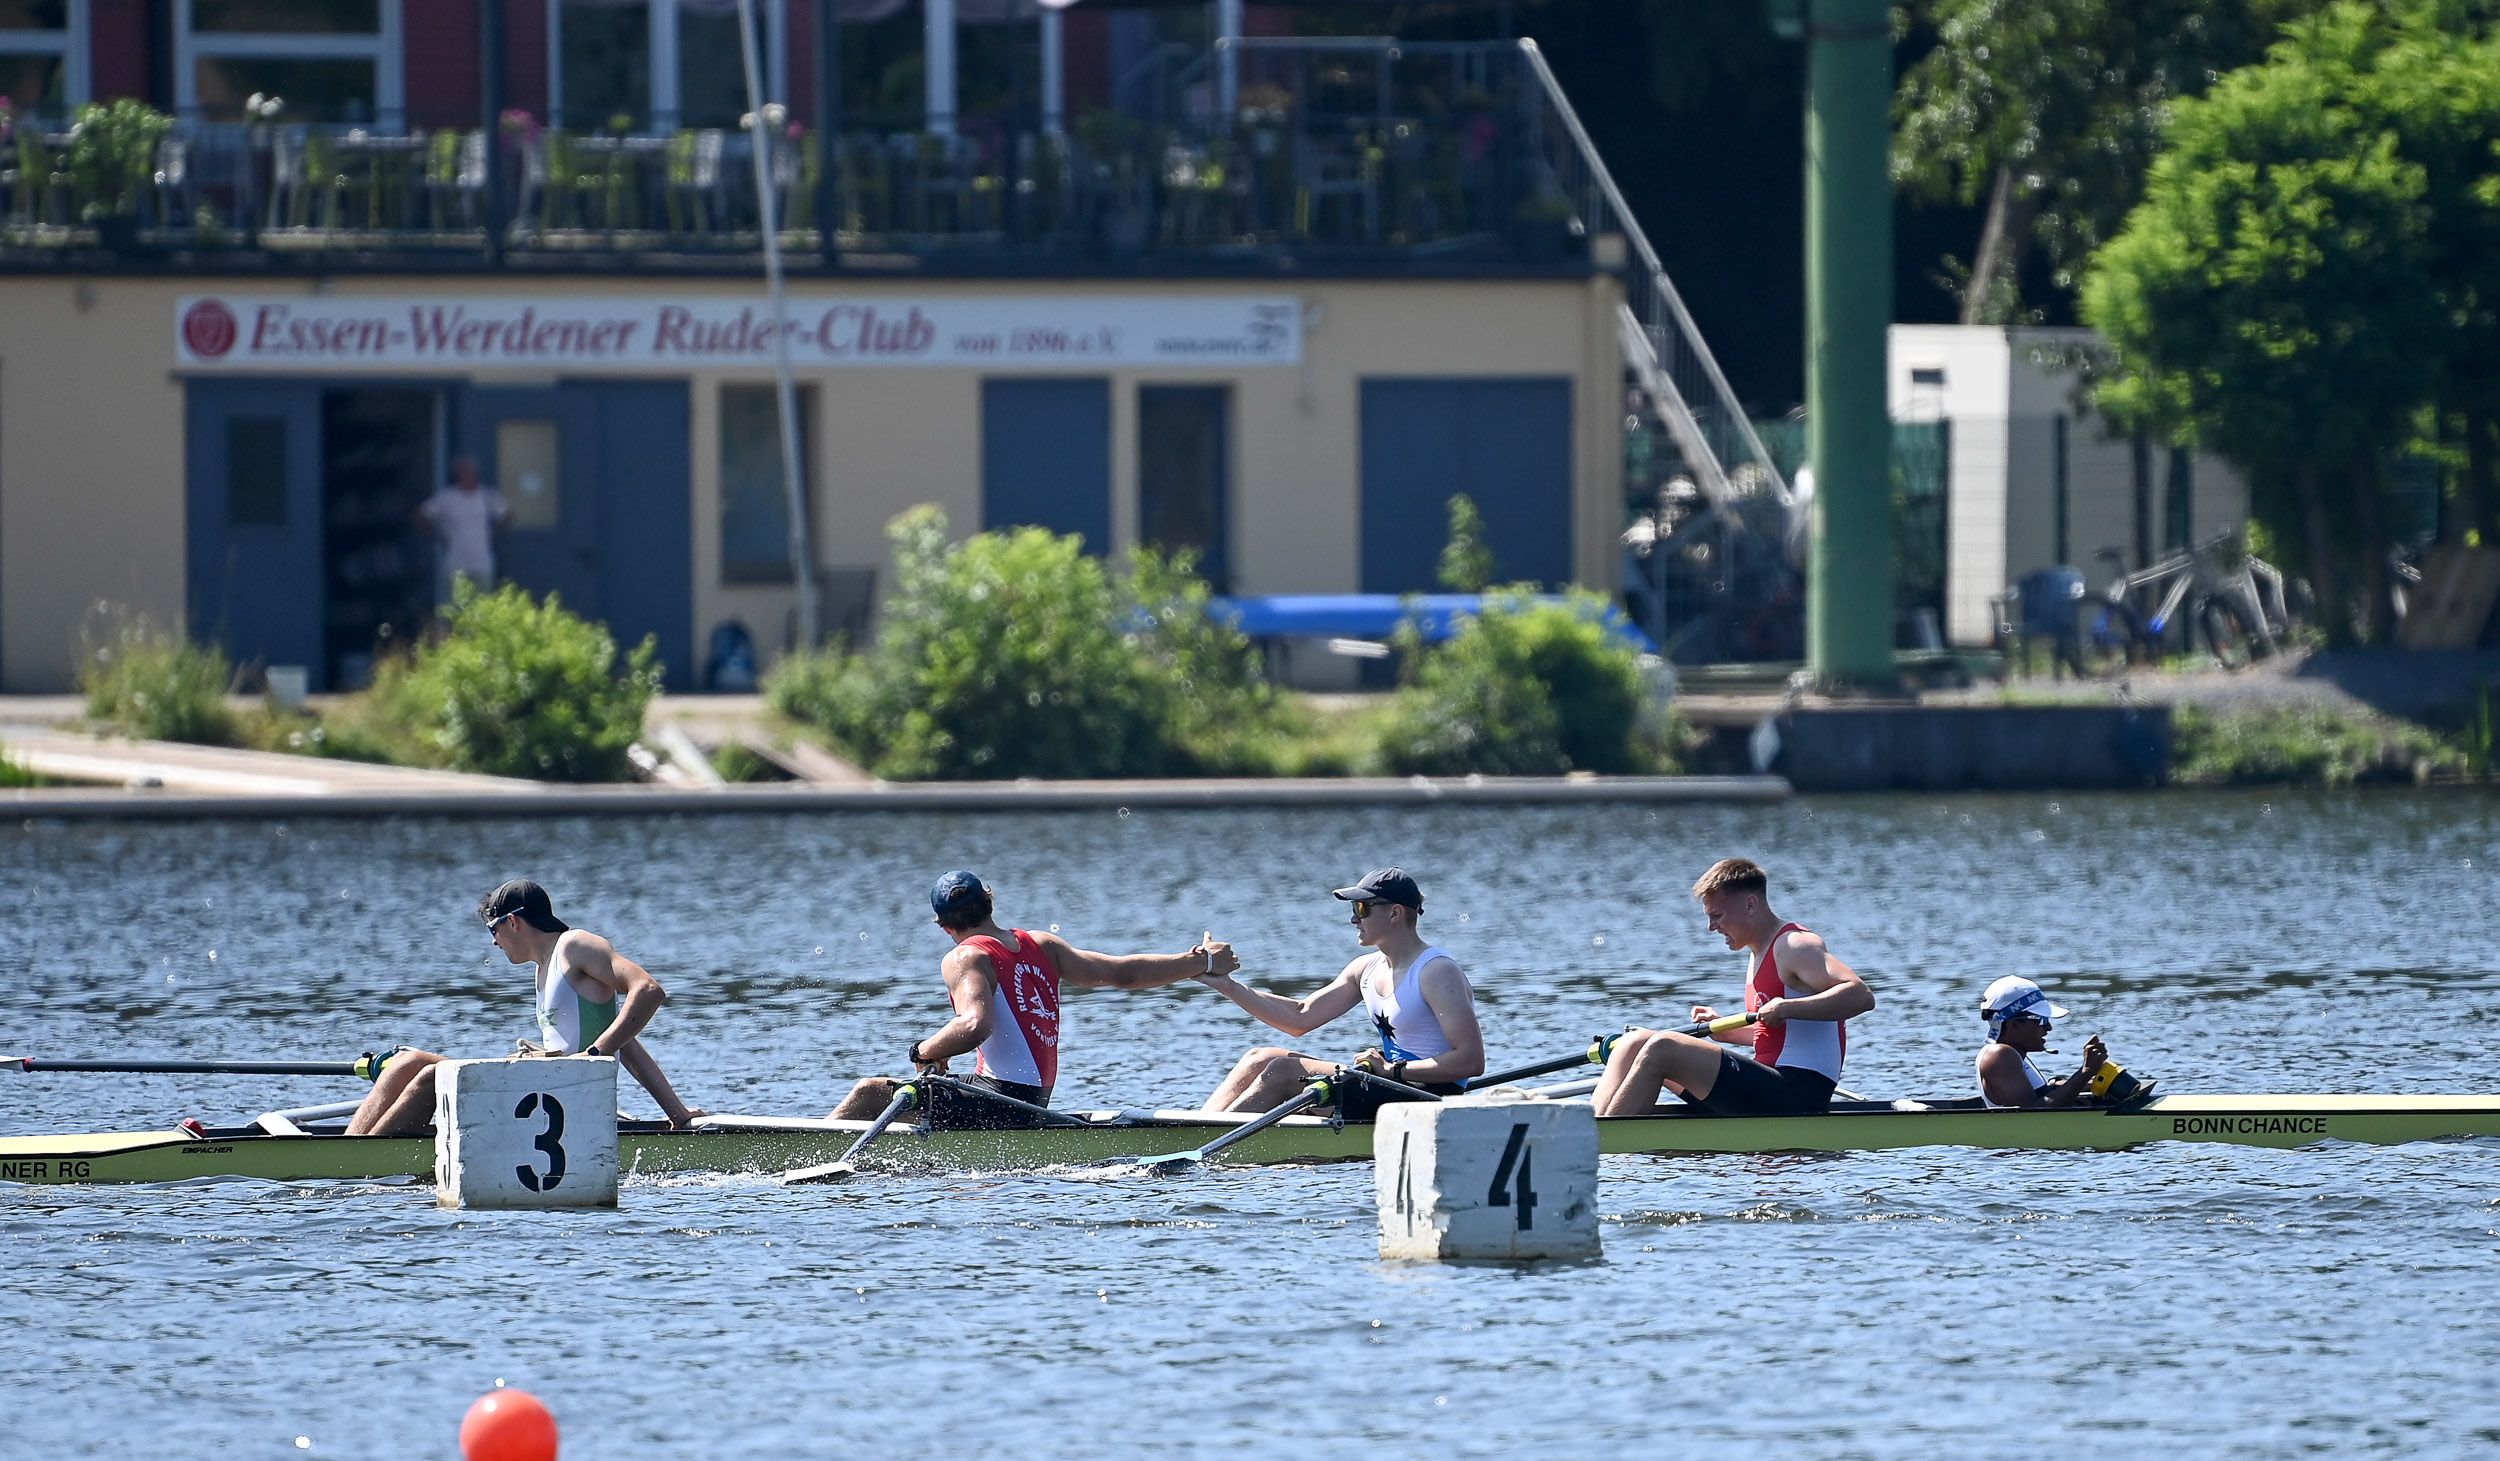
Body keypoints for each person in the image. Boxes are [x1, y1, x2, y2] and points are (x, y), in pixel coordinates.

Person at [828, 871, 1239, 1129]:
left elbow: (975, 1025)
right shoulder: (1042, 944)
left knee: (870, 1092)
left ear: (942, 925)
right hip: (1034, 1100)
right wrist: (1199, 962)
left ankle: (801, 1149)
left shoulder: (966, 956)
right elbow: (1123, 973)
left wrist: (924, 1051)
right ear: (990, 903)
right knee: (922, 1094)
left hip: (1002, 1100)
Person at [345, 879, 703, 1136]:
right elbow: (624, 1037)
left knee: (429, 1078)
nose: (494, 942)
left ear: (513, 921)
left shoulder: (575, 945)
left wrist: (593, 1055)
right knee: (408, 1061)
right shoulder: (543, 968)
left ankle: (357, 1164)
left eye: (493, 930)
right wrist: (675, 1112)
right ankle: (349, 1149)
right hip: (547, 1086)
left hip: (568, 1093)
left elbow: (649, 990)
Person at [1196, 867, 1486, 1121]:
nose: (1353, 920)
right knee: (1260, 1057)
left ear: (1395, 912)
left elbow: (1471, 1061)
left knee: (1283, 1071)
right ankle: (1193, 1129)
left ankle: (1201, 1149)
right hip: (1390, 1081)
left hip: (1427, 1095)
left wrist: (1390, 1070)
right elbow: (1300, 1018)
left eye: (1362, 909)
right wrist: (1227, 985)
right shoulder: (1366, 969)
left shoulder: (1436, 972)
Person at [1592, 857, 1873, 1117]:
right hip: (1769, 1085)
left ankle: (1606, 1147)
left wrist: (1787, 1007)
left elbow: (1860, 995)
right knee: (1633, 1042)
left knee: (1663, 1046)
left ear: (1750, 905)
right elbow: (1787, 1035)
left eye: (1717, 915)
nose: (1711, 927)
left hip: (1798, 1094)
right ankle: (1586, 1131)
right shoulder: (1758, 952)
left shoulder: (1794, 945)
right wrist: (1725, 1029)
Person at [1977, 976, 2111, 1108]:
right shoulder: (2000, 1055)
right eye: (2041, 1019)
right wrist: (2085, 1072)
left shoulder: (2012, 1055)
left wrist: (2095, 1082)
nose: (2048, 1027)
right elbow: (2032, 1114)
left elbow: (2043, 1093)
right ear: (2013, 1025)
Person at [412, 453, 511, 601]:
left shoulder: (486, 496)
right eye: (462, 472)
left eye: (468, 472)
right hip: (455, 563)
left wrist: (493, 534)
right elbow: (419, 516)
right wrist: (438, 535)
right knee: (455, 609)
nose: (465, 476)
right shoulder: (447, 497)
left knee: (483, 606)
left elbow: (507, 514)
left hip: (482, 562)